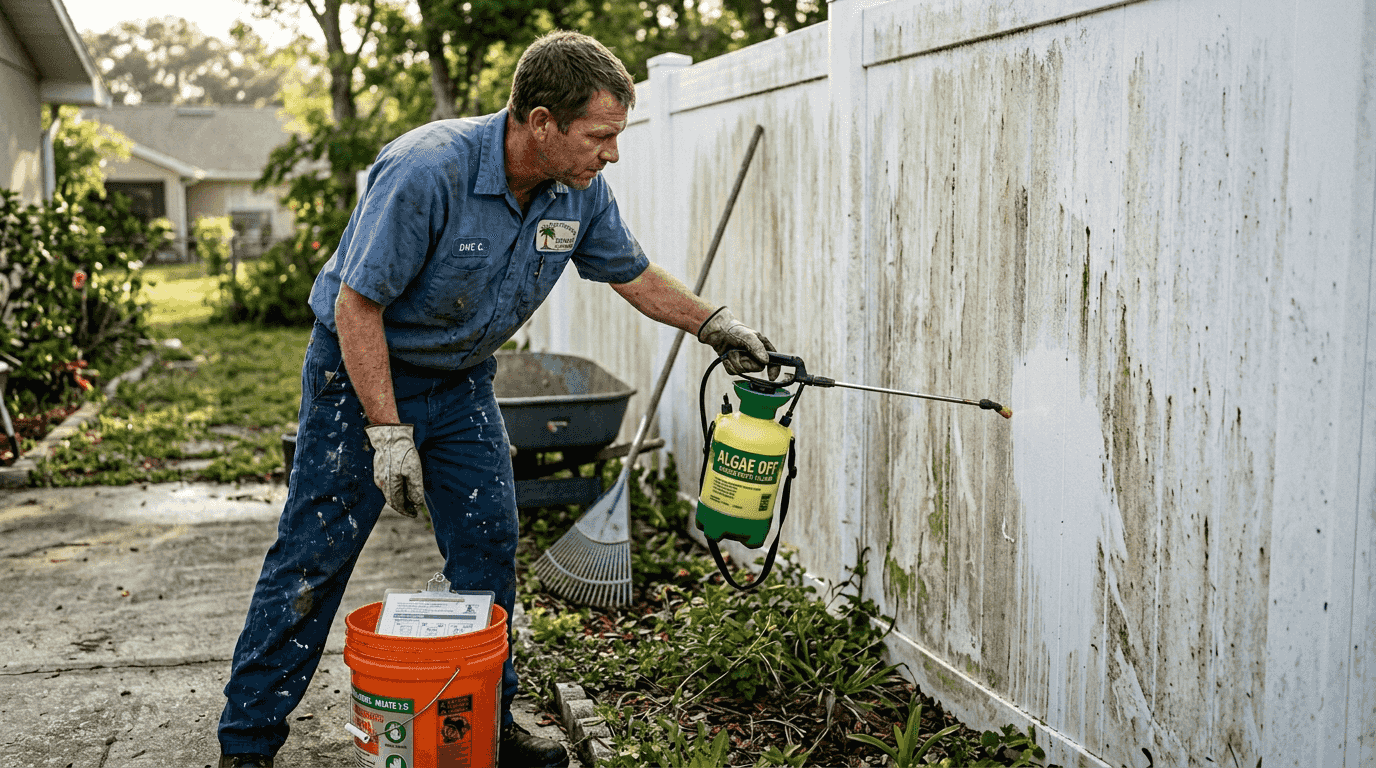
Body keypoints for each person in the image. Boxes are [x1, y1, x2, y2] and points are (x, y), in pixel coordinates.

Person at [217, 30, 775, 768]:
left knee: (487, 543)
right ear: (541, 122)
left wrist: (715, 325)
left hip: (462, 382)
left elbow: (633, 274)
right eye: (599, 136)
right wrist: (388, 433)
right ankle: (248, 742)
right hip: (359, 378)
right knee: (313, 557)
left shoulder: (577, 194)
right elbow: (357, 307)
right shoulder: (428, 170)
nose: (611, 153)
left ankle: (484, 720)